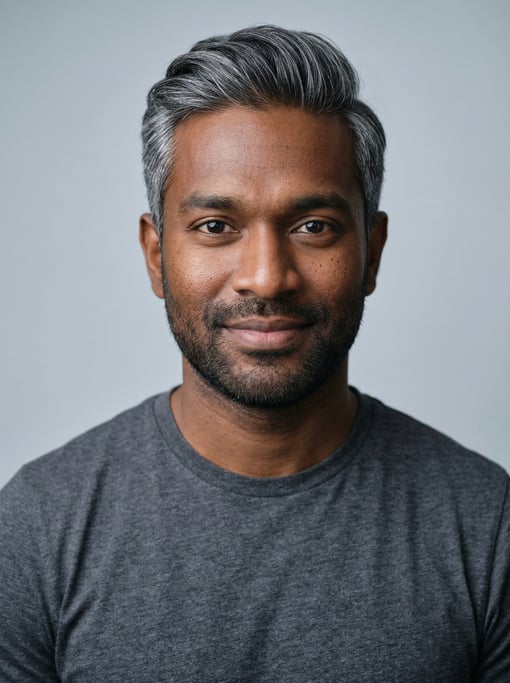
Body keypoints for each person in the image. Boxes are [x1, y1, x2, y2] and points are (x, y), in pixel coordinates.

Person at [0, 24, 508, 682]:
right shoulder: (38, 527)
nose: (266, 277)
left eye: (313, 226)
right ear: (157, 255)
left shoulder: (487, 528)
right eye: (217, 226)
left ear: (371, 253)